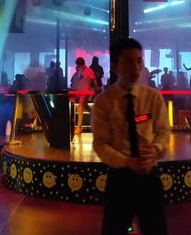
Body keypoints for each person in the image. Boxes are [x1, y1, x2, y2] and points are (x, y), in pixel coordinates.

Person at [92, 38, 170, 235]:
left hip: (149, 173)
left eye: (139, 61)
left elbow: (163, 133)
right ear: (115, 65)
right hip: (120, 177)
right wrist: (127, 161)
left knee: (156, 229)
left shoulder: (153, 97)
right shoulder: (104, 101)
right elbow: (100, 144)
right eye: (128, 62)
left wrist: (155, 150)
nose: (136, 67)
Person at [70, 57, 98, 134]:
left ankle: (79, 127)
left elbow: (94, 81)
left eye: (79, 64)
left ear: (82, 64)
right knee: (83, 106)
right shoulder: (79, 71)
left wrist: (97, 90)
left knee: (80, 106)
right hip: (79, 92)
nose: (78, 66)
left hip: (86, 91)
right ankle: (95, 113)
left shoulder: (89, 71)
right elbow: (75, 81)